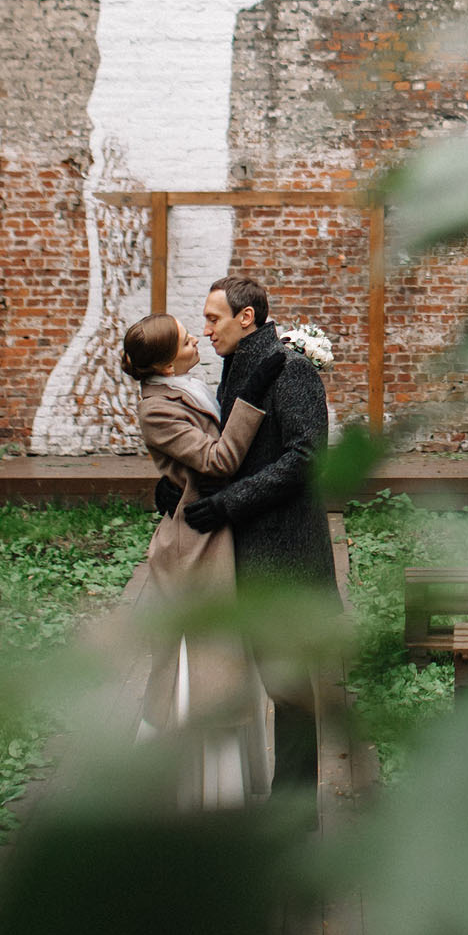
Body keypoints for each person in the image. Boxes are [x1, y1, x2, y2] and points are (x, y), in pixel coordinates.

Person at [119, 310, 285, 808]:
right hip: (193, 547)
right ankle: (175, 786)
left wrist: (175, 480)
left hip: (213, 532)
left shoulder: (180, 387)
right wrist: (253, 396)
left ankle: (219, 780)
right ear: (167, 366)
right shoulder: (158, 408)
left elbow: (195, 459)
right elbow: (216, 460)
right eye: (188, 339)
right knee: (201, 663)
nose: (198, 338)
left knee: (221, 659)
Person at [180, 274, 338, 793]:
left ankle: (292, 815)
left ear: (246, 318)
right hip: (243, 556)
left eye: (212, 318)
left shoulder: (291, 372)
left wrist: (229, 504)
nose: (205, 330)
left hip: (285, 560)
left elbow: (306, 459)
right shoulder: (238, 370)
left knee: (289, 690)